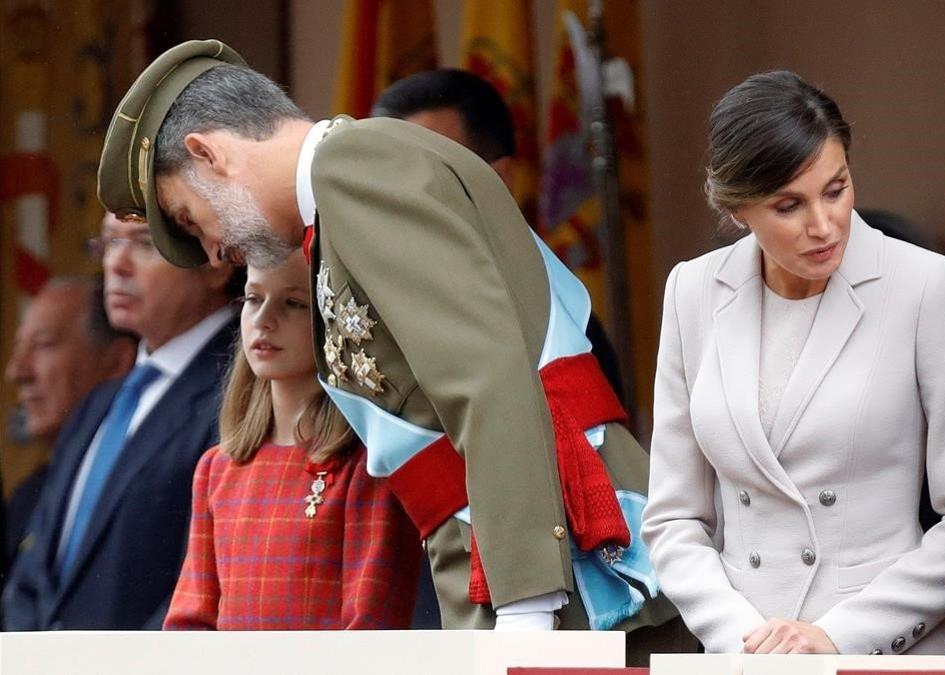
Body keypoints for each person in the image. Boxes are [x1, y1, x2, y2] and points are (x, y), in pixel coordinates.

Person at [96, 40, 683, 662]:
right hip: (534, 555)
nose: (215, 251)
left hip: (566, 568)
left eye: (190, 219)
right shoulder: (343, 189)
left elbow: (486, 377)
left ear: (207, 154)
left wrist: (523, 610)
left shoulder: (355, 168)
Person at [642, 70, 945, 655]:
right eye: (789, 205)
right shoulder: (692, 291)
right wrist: (745, 641)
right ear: (739, 211)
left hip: (880, 649)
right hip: (742, 655)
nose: (824, 225)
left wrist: (838, 637)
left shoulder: (922, 284)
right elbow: (674, 518)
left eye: (836, 189)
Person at [2, 210, 238, 630]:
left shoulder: (238, 394)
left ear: (214, 264)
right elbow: (34, 573)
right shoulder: (98, 406)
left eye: (145, 243)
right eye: (110, 242)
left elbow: (210, 582)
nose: (116, 265)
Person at [164, 250, 420, 630]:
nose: (264, 320)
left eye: (294, 303)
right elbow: (190, 622)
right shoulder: (217, 469)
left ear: (332, 320)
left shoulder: (368, 467)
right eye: (253, 298)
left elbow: (370, 628)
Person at [372, 68, 626, 405]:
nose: (402, 195)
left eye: (427, 173)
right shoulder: (357, 300)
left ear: (498, 179)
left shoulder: (556, 324)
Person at [4, 270, 136, 560]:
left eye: (43, 344)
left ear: (116, 362)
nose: (17, 371)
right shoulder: (28, 496)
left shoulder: (142, 480)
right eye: (19, 349)